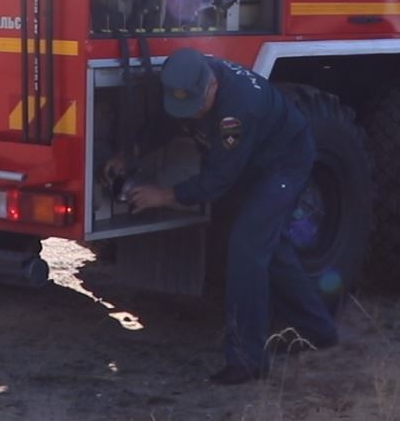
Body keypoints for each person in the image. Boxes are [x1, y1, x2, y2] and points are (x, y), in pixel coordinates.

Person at [105, 48, 337, 385]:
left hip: (284, 163)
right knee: (271, 248)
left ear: (212, 85)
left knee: (246, 247)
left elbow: (217, 181)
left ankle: (247, 360)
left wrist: (164, 195)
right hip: (255, 159)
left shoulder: (236, 114)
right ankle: (318, 330)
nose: (193, 113)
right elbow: (169, 121)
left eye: (197, 106)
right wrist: (131, 153)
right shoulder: (191, 76)